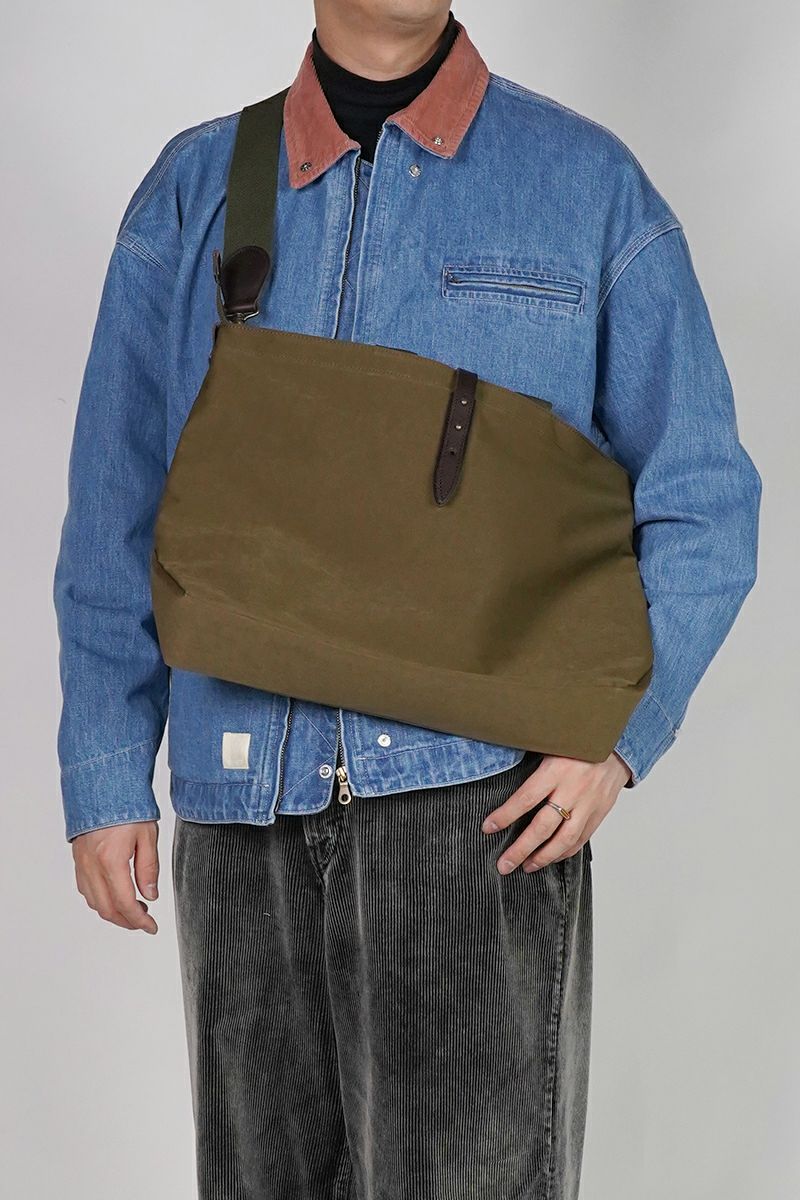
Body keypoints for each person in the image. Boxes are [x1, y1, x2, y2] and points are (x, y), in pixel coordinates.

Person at [53, 3, 762, 1197]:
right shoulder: (193, 190)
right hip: (241, 812)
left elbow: (702, 497)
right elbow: (117, 499)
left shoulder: (586, 188)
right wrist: (107, 767)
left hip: (475, 819)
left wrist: (615, 737)